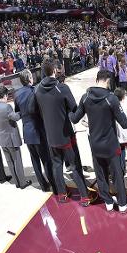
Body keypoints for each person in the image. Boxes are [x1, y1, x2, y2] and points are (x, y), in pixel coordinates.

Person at [69, 70, 127, 213]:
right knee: (117, 175)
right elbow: (124, 123)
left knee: (100, 175)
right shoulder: (111, 99)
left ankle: (107, 201)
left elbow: (75, 118)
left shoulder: (85, 97)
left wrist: (67, 111)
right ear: (108, 81)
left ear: (97, 80)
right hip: (111, 145)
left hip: (95, 144)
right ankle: (122, 203)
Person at [32, 59, 93, 206]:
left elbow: (33, 110)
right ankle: (84, 196)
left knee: (57, 165)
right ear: (54, 71)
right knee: (74, 165)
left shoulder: (37, 90)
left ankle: (62, 194)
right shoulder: (62, 88)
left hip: (51, 136)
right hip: (65, 134)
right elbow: (74, 108)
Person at [14, 69, 55, 192]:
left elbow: (18, 112)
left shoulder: (17, 94)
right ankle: (53, 183)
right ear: (29, 79)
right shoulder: (35, 91)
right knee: (46, 159)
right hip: (38, 130)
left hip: (26, 131)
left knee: (35, 160)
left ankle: (43, 185)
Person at [0, 86, 31, 189]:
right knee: (17, 161)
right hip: (11, 139)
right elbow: (15, 117)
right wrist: (21, 111)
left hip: (1, 138)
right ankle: (22, 183)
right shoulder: (7, 107)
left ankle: (16, 182)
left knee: (9, 162)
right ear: (5, 96)